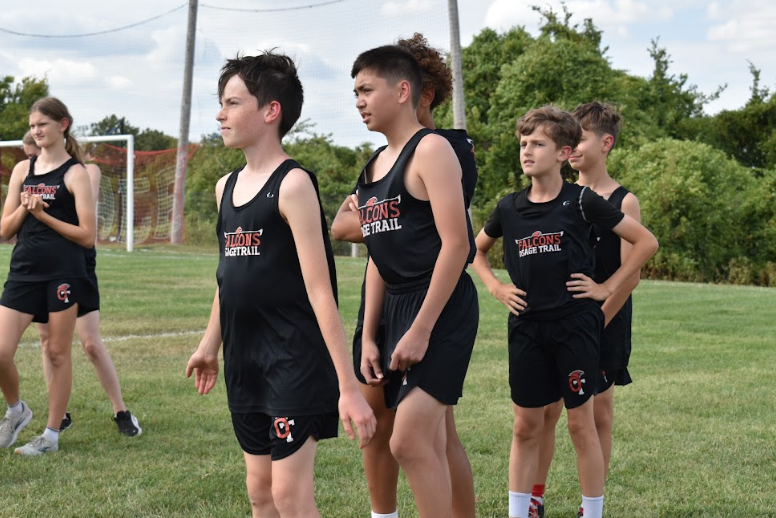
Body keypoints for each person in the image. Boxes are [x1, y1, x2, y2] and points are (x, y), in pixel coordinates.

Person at [185, 51, 375, 517]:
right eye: (221, 102)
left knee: (290, 496)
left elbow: (320, 289)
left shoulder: (292, 185)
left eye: (232, 103)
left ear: (270, 111)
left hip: (294, 358)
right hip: (243, 360)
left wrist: (347, 386)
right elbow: (227, 276)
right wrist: (211, 344)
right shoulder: (224, 187)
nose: (219, 114)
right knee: (260, 492)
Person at [470, 106, 658, 518]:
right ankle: (524, 508)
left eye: (538, 144)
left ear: (562, 152)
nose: (527, 151)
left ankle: (591, 511)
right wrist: (497, 287)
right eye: (523, 143)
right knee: (527, 425)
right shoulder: (509, 207)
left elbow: (644, 244)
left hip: (577, 326)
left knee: (582, 423)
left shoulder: (584, 201)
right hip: (527, 329)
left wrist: (606, 290)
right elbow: (476, 252)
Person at [331, 33, 477, 518]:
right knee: (378, 428)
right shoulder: (373, 166)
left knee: (412, 441)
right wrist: (369, 334)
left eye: (366, 90)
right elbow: (376, 253)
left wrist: (420, 328)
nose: (359, 102)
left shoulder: (432, 149)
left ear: (402, 92)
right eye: (355, 93)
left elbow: (457, 245)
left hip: (440, 305)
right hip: (390, 306)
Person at [23, 131, 142, 437]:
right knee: (49, 344)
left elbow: (79, 221)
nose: (32, 163)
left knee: (90, 343)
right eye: (29, 158)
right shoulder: (30, 173)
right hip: (43, 266)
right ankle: (58, 415)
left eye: (33, 155)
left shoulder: (85, 171)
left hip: (78, 265)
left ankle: (121, 410)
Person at [0, 97, 96, 456]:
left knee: (57, 353)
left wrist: (44, 216)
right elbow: (4, 229)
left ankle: (51, 436)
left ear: (62, 125)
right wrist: (26, 211)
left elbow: (87, 235)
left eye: (43, 124)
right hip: (24, 271)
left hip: (63, 274)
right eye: (33, 124)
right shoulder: (22, 171)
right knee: (0, 350)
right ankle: (16, 411)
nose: (36, 130)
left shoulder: (75, 174)